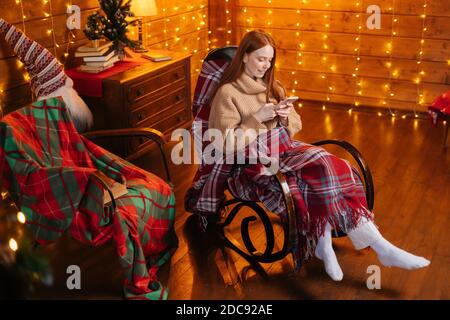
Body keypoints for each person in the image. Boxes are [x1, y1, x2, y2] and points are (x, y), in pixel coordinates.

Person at [207, 29, 430, 281]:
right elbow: (223, 144)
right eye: (260, 59)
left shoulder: (273, 86)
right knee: (316, 168)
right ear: (244, 56)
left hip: (283, 148)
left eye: (270, 60)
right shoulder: (228, 93)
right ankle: (345, 244)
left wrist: (285, 115)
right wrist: (256, 119)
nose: (266, 66)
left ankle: (372, 246)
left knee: (338, 165)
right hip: (251, 163)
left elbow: (294, 125)